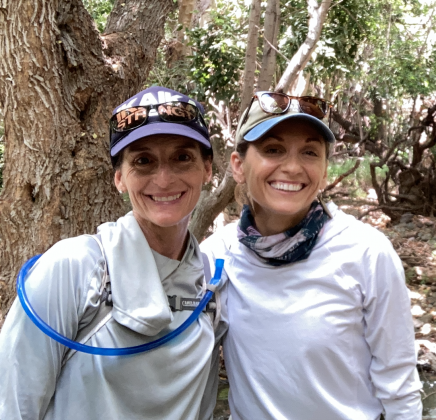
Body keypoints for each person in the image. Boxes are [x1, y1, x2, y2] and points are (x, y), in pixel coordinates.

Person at [0, 86, 218, 420]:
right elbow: (13, 405)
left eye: (182, 157)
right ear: (119, 178)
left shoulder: (211, 284)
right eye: (143, 161)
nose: (163, 178)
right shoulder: (74, 268)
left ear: (207, 170)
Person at [201, 92, 422, 420]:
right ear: (238, 165)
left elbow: (399, 385)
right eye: (273, 149)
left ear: (323, 168)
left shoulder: (366, 253)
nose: (292, 167)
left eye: (309, 152)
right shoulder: (218, 255)